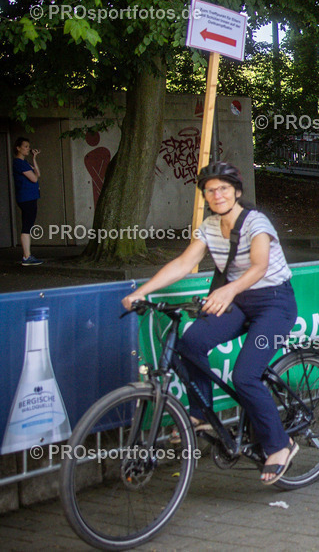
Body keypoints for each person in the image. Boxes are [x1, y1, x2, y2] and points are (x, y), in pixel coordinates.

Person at [121, 162, 299, 485]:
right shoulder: (209, 227)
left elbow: (259, 266)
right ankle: (200, 414)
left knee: (244, 375)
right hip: (238, 301)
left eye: (223, 189)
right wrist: (141, 293)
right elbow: (184, 263)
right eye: (210, 191)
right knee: (188, 344)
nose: (217, 195)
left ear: (237, 192)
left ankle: (280, 444)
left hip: (274, 302)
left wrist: (228, 289)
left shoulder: (256, 223)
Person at [12, 137, 43, 266]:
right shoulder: (19, 163)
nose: (28, 149)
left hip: (29, 197)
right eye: (25, 146)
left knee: (27, 225)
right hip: (27, 198)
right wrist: (35, 175)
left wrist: (34, 158)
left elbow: (38, 174)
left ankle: (27, 255)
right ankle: (26, 256)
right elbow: (34, 179)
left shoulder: (25, 163)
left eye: (28, 146)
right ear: (18, 148)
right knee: (27, 226)